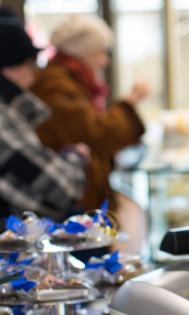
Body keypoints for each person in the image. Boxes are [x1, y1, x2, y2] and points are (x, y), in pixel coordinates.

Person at [0, 8, 89, 270]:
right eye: (29, 66)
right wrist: (74, 158)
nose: (33, 77)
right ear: (11, 67)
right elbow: (62, 187)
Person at [31, 14, 148, 253]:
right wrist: (131, 101)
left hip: (77, 199)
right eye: (101, 51)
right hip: (71, 206)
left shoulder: (68, 82)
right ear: (83, 51)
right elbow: (96, 134)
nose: (105, 61)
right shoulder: (56, 85)